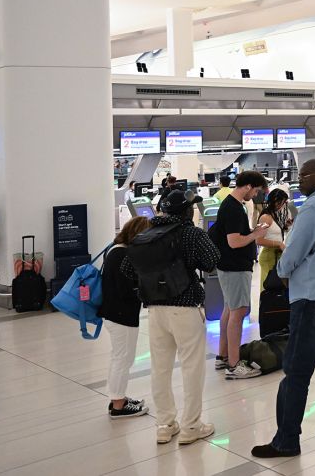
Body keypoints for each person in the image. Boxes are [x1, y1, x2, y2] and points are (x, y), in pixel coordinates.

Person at [251, 160, 315, 458]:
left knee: (296, 370)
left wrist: (282, 272)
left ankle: (286, 440)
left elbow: (293, 251)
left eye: (304, 176)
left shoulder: (313, 206)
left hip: (313, 299)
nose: (299, 181)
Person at [122, 189, 220, 444]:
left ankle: (165, 425)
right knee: (192, 368)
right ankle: (191, 427)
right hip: (185, 308)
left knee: (160, 368)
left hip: (155, 310)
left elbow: (126, 268)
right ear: (186, 211)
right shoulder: (191, 233)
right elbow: (211, 262)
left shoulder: (145, 235)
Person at [209, 170, 269, 379]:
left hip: (229, 266)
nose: (255, 195)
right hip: (235, 267)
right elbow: (234, 242)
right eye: (256, 191)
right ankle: (234, 365)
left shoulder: (232, 205)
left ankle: (224, 355)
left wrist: (252, 230)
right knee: (239, 311)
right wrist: (256, 234)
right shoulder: (233, 208)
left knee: (229, 308)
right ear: (247, 186)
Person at [100, 216, 149, 419]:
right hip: (122, 314)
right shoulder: (124, 255)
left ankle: (117, 398)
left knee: (119, 357)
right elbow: (127, 289)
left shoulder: (115, 249)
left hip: (113, 313)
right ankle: (119, 405)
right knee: (123, 359)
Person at [256, 188, 291, 291]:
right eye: (282, 203)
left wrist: (284, 226)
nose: (283, 206)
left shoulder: (274, 215)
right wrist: (278, 243)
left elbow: (272, 232)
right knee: (268, 289)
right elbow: (258, 240)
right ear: (276, 202)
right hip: (268, 256)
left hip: (276, 255)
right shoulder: (265, 217)